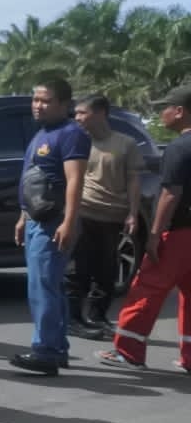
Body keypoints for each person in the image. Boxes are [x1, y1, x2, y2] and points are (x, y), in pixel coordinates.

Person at [98, 87, 191, 372]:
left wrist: (154, 234)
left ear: (179, 111)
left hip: (177, 233)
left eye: (164, 107)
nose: (160, 113)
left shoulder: (179, 147)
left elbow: (170, 194)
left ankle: (129, 350)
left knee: (147, 288)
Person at [10, 77, 90, 376]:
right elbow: (33, 180)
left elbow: (74, 181)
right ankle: (57, 348)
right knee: (43, 286)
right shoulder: (42, 134)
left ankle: (46, 351)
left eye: (46, 100)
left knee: (44, 287)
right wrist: (22, 216)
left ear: (65, 105)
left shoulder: (71, 134)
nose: (38, 105)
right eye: (35, 99)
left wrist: (69, 221)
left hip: (54, 221)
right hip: (36, 219)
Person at [70, 94, 141, 338]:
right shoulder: (76, 142)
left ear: (100, 113)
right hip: (84, 212)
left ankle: (98, 317)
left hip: (112, 216)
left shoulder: (125, 144)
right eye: (76, 113)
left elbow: (133, 180)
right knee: (77, 270)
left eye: (82, 113)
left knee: (106, 272)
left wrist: (133, 213)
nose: (77, 117)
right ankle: (73, 318)